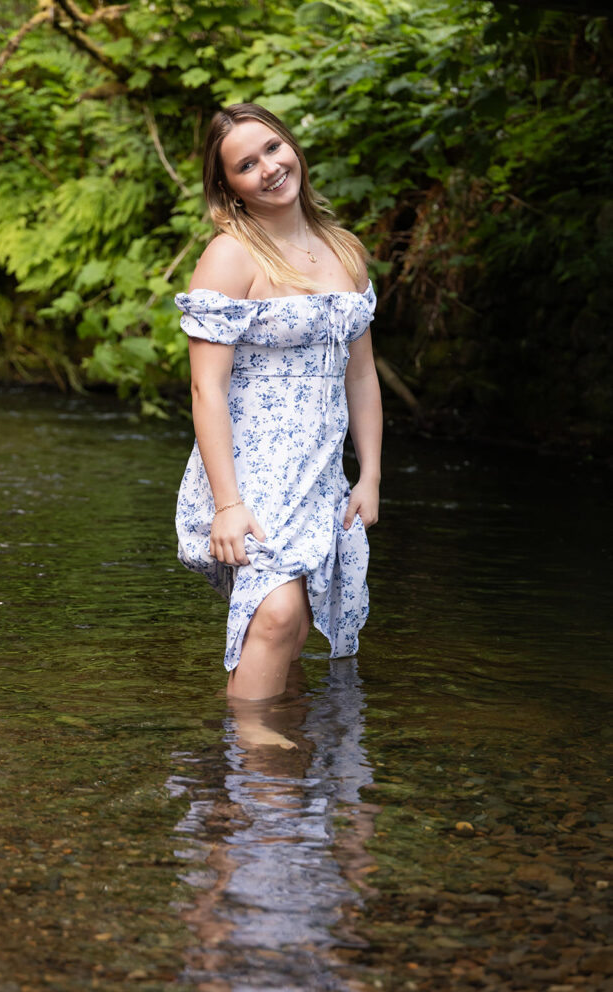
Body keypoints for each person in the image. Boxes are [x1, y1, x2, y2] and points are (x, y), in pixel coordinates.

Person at [174, 103, 382, 702]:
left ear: (292, 146)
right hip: (249, 472)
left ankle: (279, 774)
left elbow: (362, 377)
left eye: (272, 148)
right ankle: (251, 767)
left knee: (294, 625)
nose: (268, 167)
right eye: (245, 164)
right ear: (228, 188)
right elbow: (204, 388)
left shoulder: (345, 250)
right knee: (277, 614)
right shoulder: (231, 256)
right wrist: (227, 504)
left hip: (319, 473)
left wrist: (369, 474)